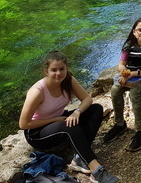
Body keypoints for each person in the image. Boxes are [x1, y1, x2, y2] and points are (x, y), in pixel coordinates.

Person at [19, 51, 119, 183]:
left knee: (96, 109)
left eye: (62, 69)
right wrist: (54, 120)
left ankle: (79, 158)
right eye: (53, 70)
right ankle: (96, 171)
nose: (58, 73)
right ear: (46, 71)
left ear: (66, 68)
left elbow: (87, 99)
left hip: (58, 120)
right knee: (69, 125)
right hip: (37, 132)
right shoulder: (37, 91)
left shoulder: (68, 80)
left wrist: (77, 111)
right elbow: (23, 124)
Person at [103, 18, 141, 152]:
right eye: (139, 30)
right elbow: (121, 65)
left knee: (135, 92)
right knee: (115, 89)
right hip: (131, 77)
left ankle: (140, 130)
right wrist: (125, 74)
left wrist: (133, 74)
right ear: (134, 32)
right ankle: (120, 123)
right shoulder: (129, 45)